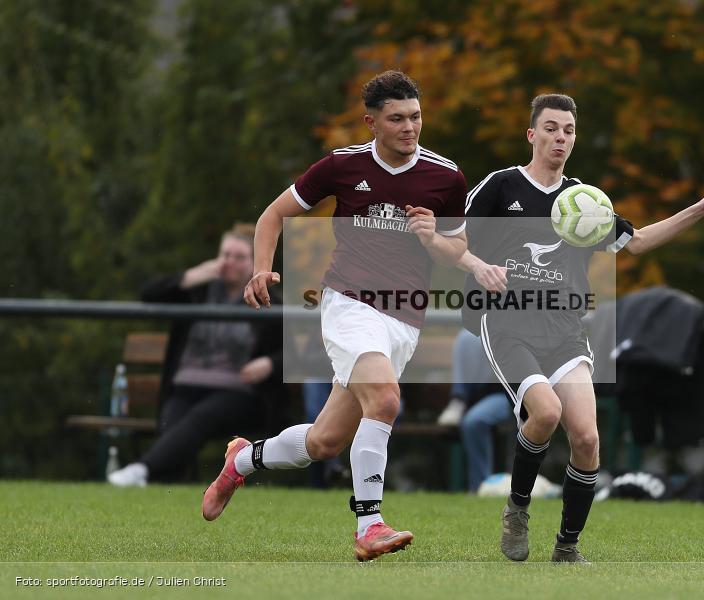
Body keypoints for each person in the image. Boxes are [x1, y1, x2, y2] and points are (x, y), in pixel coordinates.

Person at [459, 93, 704, 562]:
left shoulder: (582, 201)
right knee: (544, 414)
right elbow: (451, 238)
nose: (560, 137)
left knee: (587, 439)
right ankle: (518, 510)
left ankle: (567, 548)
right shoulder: (501, 186)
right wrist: (476, 266)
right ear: (532, 134)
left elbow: (638, 242)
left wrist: (701, 208)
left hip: (565, 330)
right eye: (550, 128)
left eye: (568, 130)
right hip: (505, 323)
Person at [201, 71, 467, 562]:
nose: (410, 128)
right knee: (385, 400)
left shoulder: (446, 176)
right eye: (397, 119)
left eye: (416, 117)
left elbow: (458, 251)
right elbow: (273, 215)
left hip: (404, 320)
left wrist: (436, 239)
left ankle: (241, 460)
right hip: (349, 303)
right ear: (372, 122)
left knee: (324, 442)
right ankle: (370, 525)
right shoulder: (341, 166)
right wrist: (262, 268)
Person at [107, 224, 288, 487]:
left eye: (239, 257)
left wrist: (271, 363)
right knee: (172, 421)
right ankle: (159, 486)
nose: (230, 262)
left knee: (201, 417)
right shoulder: (196, 293)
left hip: (238, 392)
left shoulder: (269, 300)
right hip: (184, 387)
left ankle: (141, 470)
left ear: (253, 263)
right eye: (225, 255)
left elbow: (301, 346)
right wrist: (194, 275)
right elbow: (149, 295)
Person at [437, 329, 512, 492]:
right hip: (483, 396)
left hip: (515, 395)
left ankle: (480, 488)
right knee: (467, 336)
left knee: (474, 420)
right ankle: (458, 400)